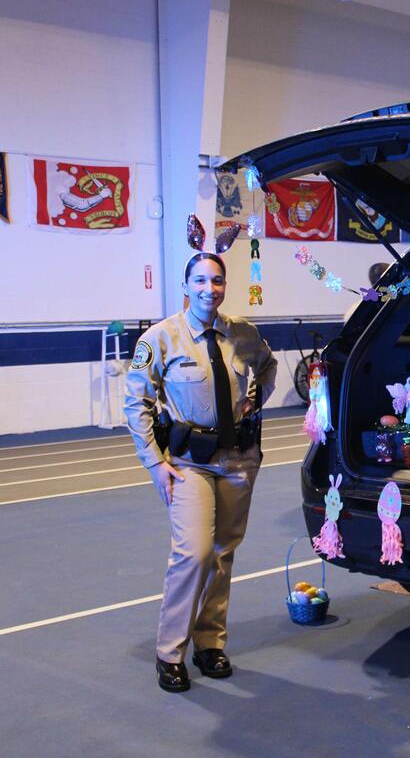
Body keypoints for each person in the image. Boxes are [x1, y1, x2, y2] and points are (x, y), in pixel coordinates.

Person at [125, 251, 277, 692]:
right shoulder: (160, 339)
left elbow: (267, 367)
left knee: (222, 553)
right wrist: (155, 463)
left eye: (217, 281)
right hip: (189, 463)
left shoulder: (243, 334)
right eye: (200, 280)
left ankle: (209, 642)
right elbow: (136, 404)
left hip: (238, 461)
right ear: (186, 285)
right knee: (193, 552)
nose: (209, 289)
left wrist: (256, 399)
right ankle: (169, 652)